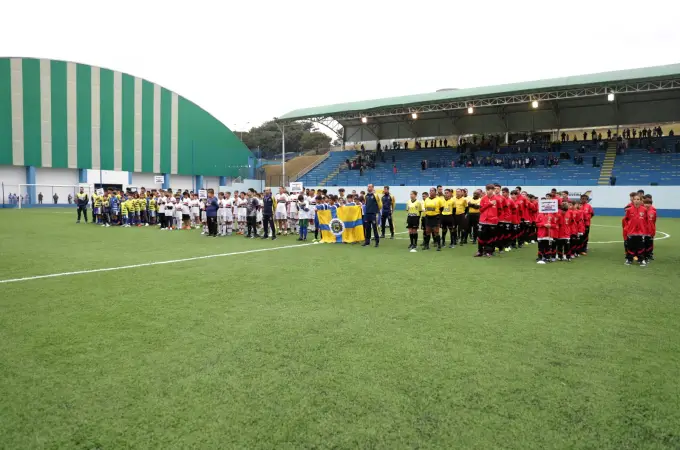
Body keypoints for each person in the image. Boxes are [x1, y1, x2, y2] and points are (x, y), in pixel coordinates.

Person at [623, 194, 648, 266]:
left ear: (641, 201)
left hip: (641, 232)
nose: (636, 201)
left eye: (638, 199)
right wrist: (629, 228)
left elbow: (646, 220)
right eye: (635, 199)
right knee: (630, 246)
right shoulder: (629, 210)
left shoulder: (644, 210)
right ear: (632, 200)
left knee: (641, 246)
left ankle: (641, 259)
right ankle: (629, 259)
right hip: (631, 232)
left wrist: (643, 228)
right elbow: (626, 219)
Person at [476, 185, 499, 257]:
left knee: (490, 237)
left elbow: (500, 210)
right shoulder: (483, 199)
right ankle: (480, 251)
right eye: (489, 189)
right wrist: (490, 204)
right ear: (486, 190)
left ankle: (489, 252)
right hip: (483, 221)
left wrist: (495, 217)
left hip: (492, 222)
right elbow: (481, 209)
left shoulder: (497, 199)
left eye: (492, 189)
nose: (490, 191)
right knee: (481, 236)